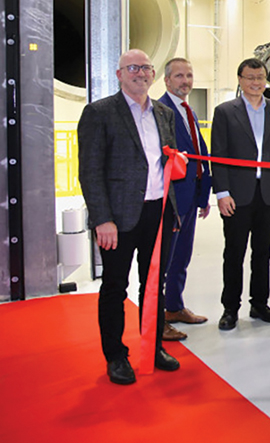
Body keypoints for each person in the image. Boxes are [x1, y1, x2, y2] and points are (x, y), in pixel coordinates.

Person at [78, 49, 181, 385]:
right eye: (133, 68)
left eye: (146, 68)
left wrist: (173, 211)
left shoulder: (163, 114)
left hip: (158, 212)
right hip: (119, 217)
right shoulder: (100, 113)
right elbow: (90, 171)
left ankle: (152, 349)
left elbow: (167, 166)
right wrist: (101, 219)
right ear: (119, 73)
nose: (141, 73)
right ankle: (116, 356)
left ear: (153, 75)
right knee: (114, 287)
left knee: (154, 286)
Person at [211, 58, 270, 331]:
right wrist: (222, 192)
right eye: (250, 78)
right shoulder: (225, 111)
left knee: (263, 252)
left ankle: (259, 303)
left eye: (260, 78)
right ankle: (230, 309)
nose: (256, 83)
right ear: (240, 79)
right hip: (237, 195)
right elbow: (219, 155)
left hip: (268, 194)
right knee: (234, 253)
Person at [158, 58, 212, 342]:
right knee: (164, 261)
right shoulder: (159, 110)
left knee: (182, 256)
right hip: (173, 200)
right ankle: (158, 320)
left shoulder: (187, 111)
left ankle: (174, 307)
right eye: (179, 76)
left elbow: (199, 155)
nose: (185, 81)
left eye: (189, 75)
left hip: (191, 197)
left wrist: (204, 195)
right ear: (166, 80)